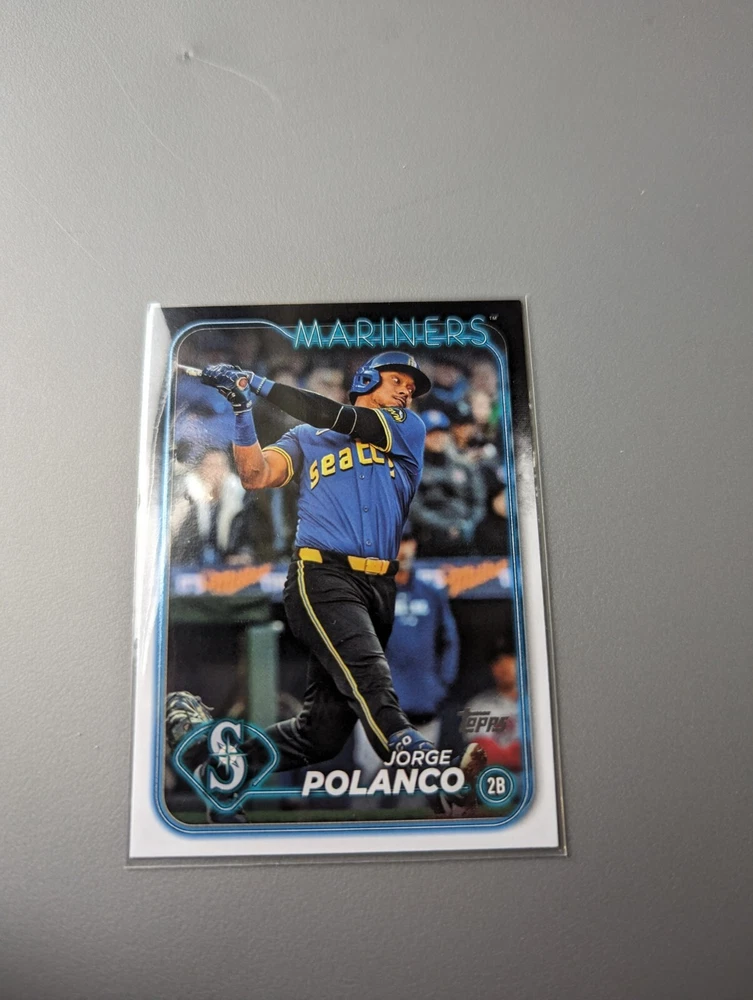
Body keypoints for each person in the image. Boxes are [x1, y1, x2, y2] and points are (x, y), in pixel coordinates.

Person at [199, 351, 486, 814]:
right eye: (398, 381)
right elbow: (255, 475)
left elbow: (335, 415)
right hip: (322, 574)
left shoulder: (407, 428)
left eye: (411, 387)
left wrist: (258, 383)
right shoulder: (306, 437)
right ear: (368, 379)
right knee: (371, 675)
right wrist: (241, 409)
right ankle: (436, 771)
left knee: (321, 734)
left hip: (379, 585)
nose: (407, 391)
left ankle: (228, 765)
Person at [352, 528, 460, 798]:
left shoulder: (432, 593)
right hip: (379, 709)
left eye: (407, 540)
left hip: (423, 706)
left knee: (418, 789)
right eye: (395, 541)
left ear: (415, 545)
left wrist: (440, 684)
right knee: (368, 786)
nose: (402, 549)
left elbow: (450, 641)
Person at [409, 409, 486, 557]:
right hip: (429, 542)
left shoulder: (463, 466)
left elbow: (478, 501)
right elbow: (414, 509)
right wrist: (446, 526)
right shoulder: (412, 470)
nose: (438, 437)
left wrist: (468, 523)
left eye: (442, 432)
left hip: (465, 540)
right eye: (431, 433)